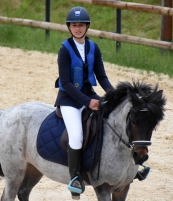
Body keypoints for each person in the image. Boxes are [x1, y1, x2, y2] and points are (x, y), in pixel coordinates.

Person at [54, 6, 114, 199]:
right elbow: (65, 83)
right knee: (77, 136)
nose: (78, 28)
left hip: (89, 95)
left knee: (113, 118)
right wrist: (87, 102)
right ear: (69, 27)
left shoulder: (93, 48)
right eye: (74, 25)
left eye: (81, 25)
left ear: (86, 27)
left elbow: (102, 77)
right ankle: (75, 179)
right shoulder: (64, 50)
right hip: (69, 100)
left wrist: (115, 96)